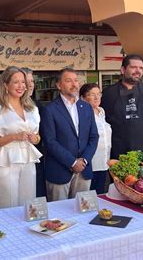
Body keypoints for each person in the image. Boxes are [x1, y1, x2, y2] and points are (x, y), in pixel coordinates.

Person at [0, 66, 42, 209]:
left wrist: (35, 139)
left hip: (28, 159)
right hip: (6, 161)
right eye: (16, 82)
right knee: (7, 204)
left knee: (29, 205)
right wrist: (14, 136)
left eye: (23, 82)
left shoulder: (32, 109)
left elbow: (37, 136)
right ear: (5, 85)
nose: (21, 86)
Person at [41, 68, 99, 201]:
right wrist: (72, 162)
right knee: (59, 216)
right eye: (68, 81)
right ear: (59, 85)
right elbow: (50, 141)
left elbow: (94, 137)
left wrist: (84, 160)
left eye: (76, 80)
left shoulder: (86, 107)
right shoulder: (49, 110)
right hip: (60, 171)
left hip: (84, 170)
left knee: (83, 213)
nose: (74, 84)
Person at [101, 54, 143, 159]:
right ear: (123, 70)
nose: (138, 70)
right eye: (133, 67)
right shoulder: (108, 94)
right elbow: (100, 123)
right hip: (118, 153)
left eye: (140, 68)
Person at [79, 83, 111, 194]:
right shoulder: (82, 114)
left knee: (101, 195)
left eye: (98, 94)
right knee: (89, 197)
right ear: (83, 98)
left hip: (104, 162)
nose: (97, 97)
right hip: (91, 162)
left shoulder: (102, 111)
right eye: (92, 95)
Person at [21, 67, 46, 198]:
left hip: (35, 158)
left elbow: (43, 135)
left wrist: (36, 138)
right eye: (26, 81)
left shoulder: (37, 107)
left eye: (32, 81)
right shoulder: (2, 107)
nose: (30, 85)